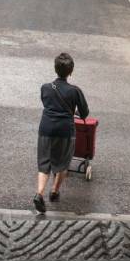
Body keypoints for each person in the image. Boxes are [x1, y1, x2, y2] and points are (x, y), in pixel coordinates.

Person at [33, 53, 89, 214]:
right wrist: (75, 112)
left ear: (55, 69)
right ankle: (55, 191)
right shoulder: (75, 91)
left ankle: (39, 194)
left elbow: (46, 103)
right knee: (63, 163)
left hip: (46, 128)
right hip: (65, 130)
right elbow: (84, 113)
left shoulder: (45, 87)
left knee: (44, 163)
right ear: (71, 71)